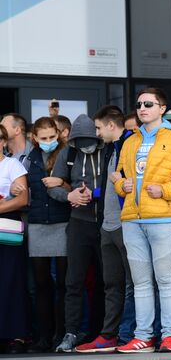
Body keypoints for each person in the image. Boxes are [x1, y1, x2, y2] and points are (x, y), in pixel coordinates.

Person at [113, 88, 171, 353]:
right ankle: (143, 336)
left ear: (162, 109)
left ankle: (169, 336)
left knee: (165, 278)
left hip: (163, 217)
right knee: (141, 282)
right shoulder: (130, 141)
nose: (142, 108)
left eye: (149, 104)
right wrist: (122, 186)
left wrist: (164, 191)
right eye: (139, 104)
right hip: (132, 218)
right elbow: (118, 176)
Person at [74, 106, 133, 352]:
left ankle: (128, 334)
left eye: (98, 127)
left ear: (111, 125)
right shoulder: (111, 148)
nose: (96, 133)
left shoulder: (129, 145)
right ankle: (109, 335)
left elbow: (131, 183)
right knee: (112, 283)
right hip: (108, 225)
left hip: (126, 223)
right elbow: (113, 185)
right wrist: (94, 193)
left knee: (132, 284)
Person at [49, 113, 107, 352]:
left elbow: (121, 181)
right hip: (78, 223)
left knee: (108, 281)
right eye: (79, 140)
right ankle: (71, 332)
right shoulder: (68, 153)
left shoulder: (108, 151)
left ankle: (104, 332)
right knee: (73, 281)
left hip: (106, 224)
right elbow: (53, 185)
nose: (85, 145)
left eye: (89, 139)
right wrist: (69, 195)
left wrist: (95, 194)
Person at [24, 118, 70, 353]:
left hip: (62, 223)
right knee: (41, 285)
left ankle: (61, 335)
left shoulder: (66, 155)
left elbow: (78, 187)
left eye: (52, 137)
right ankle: (43, 337)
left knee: (63, 284)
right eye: (43, 138)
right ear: (34, 137)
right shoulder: (28, 158)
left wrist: (62, 182)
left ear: (59, 134)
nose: (48, 142)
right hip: (38, 225)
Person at [0, 125, 29, 354]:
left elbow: (22, 200)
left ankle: (16, 336)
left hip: (6, 225)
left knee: (11, 278)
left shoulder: (12, 164)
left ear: (3, 141)